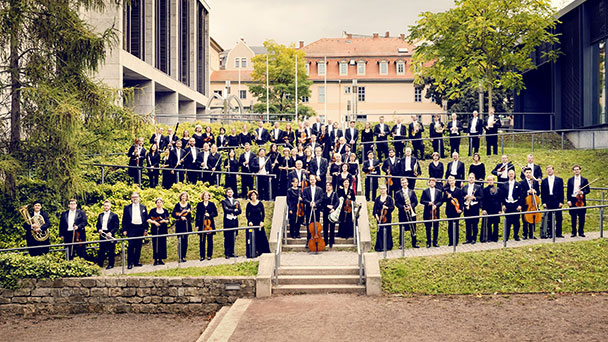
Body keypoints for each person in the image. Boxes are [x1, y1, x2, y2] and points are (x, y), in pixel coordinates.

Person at [121, 192, 148, 268]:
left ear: (139, 198)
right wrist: (124, 229)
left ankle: (136, 262)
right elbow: (124, 219)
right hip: (131, 228)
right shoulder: (127, 207)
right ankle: (130, 263)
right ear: (131, 198)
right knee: (131, 246)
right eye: (133, 197)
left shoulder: (143, 207)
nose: (135, 198)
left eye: (136, 197)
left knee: (139, 246)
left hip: (140, 228)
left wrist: (146, 229)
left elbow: (146, 219)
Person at [394, 178, 419, 248]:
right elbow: (396, 203)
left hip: (411, 212)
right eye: (402, 183)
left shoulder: (412, 192)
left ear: (407, 183)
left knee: (413, 228)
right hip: (402, 213)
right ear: (401, 184)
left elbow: (416, 202)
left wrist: (410, 207)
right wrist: (403, 207)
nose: (404, 184)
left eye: (405, 182)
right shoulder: (398, 193)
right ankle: (401, 244)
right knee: (402, 228)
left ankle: (414, 243)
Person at [541, 165, 564, 238]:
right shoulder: (544, 181)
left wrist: (561, 201)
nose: (549, 171)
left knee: (559, 218)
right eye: (548, 170)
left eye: (550, 169)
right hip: (548, 201)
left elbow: (561, 191)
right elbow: (543, 193)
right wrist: (543, 202)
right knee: (549, 218)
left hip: (557, 200)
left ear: (553, 170)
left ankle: (559, 233)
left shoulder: (559, 180)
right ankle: (550, 233)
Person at [246, 190, 270, 257]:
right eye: (252, 195)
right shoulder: (249, 204)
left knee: (261, 236)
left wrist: (262, 221)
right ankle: (254, 252)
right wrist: (249, 221)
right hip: (252, 222)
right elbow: (247, 214)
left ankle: (262, 251)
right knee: (253, 237)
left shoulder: (260, 203)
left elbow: (263, 213)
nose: (253, 196)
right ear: (250, 197)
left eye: (254, 195)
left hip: (259, 221)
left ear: (256, 196)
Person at [567, 164, 590, 237]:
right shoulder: (570, 180)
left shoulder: (584, 180)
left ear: (580, 170)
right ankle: (574, 232)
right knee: (573, 217)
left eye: (578, 169)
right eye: (575, 169)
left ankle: (581, 232)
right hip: (573, 199)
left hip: (581, 200)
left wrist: (582, 192)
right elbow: (568, 191)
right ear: (573, 171)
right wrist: (568, 201)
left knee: (582, 217)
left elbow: (588, 190)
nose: (576, 171)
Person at [501, 169, 523, 241]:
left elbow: (521, 196)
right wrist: (503, 205)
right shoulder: (504, 184)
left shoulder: (518, 184)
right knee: (507, 221)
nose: (511, 175)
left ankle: (516, 236)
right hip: (507, 204)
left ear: (514, 175)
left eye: (512, 174)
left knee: (516, 221)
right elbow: (502, 196)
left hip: (515, 204)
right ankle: (506, 237)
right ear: (508, 175)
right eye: (509, 174)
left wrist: (520, 205)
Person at [96, 200, 119, 269]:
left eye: (107, 205)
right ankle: (100, 264)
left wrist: (111, 232)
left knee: (111, 250)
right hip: (102, 233)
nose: (106, 207)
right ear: (103, 206)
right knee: (101, 250)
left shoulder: (114, 215)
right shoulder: (100, 215)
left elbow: (116, 226)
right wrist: (99, 229)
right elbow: (97, 225)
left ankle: (111, 264)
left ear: (110, 206)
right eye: (105, 205)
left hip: (110, 234)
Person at [195, 191, 218, 261]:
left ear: (209, 197)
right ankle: (202, 256)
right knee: (202, 240)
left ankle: (209, 255)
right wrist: (197, 225)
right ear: (203, 197)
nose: (206, 197)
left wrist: (210, 215)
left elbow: (216, 213)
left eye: (207, 196)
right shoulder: (199, 204)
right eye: (205, 196)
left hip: (210, 224)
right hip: (202, 224)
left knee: (210, 240)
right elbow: (197, 215)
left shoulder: (212, 204)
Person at [303, 174, 325, 244]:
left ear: (316, 180)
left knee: (316, 224)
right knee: (309, 224)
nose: (312, 181)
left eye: (313, 179)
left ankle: (316, 239)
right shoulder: (306, 189)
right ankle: (308, 240)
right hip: (309, 209)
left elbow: (321, 198)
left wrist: (315, 203)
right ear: (309, 181)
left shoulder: (320, 189)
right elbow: (304, 198)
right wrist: (309, 203)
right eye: (311, 180)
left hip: (316, 209)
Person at [421, 178, 443, 248]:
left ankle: (435, 242)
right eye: (431, 182)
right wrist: (428, 203)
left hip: (436, 212)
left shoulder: (439, 191)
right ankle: (428, 242)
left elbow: (441, 201)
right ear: (429, 183)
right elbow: (421, 201)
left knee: (436, 228)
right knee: (428, 228)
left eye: (433, 182)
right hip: (427, 211)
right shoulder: (425, 191)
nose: (432, 183)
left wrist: (436, 205)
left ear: (435, 183)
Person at [462, 173, 483, 244]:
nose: (471, 179)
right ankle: (468, 238)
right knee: (467, 223)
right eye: (470, 177)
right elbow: (461, 197)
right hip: (467, 206)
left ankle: (474, 238)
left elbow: (481, 196)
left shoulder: (478, 187)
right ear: (468, 179)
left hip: (474, 206)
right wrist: (465, 198)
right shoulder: (464, 187)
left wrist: (475, 198)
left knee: (474, 223)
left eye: (472, 177)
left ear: (474, 179)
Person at [521, 167, 541, 240]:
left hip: (533, 203)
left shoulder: (535, 182)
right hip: (525, 204)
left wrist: (535, 191)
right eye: (527, 173)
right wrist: (527, 192)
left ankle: (531, 234)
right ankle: (525, 234)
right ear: (524, 174)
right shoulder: (522, 182)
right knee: (525, 219)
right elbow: (521, 193)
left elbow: (539, 192)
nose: (528, 174)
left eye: (530, 172)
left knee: (533, 219)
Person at [147, 198, 169, 266]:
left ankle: (161, 259)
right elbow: (148, 219)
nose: (159, 204)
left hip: (163, 229)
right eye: (158, 202)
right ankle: (155, 260)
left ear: (162, 203)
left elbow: (168, 220)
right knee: (155, 244)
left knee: (162, 244)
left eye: (160, 202)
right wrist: (154, 222)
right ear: (156, 203)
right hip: (155, 229)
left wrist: (164, 221)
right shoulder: (152, 211)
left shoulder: (165, 211)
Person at [172, 191, 192, 262]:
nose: (184, 198)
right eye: (183, 196)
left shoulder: (188, 205)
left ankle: (184, 256)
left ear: (187, 198)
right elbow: (173, 214)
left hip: (186, 224)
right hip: (179, 225)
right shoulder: (177, 205)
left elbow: (190, 217)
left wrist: (189, 213)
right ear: (180, 197)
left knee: (185, 241)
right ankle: (180, 257)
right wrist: (180, 217)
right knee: (180, 241)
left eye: (185, 196)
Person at [221, 188, 241, 258]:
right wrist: (233, 209)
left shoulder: (236, 201)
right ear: (226, 193)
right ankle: (227, 253)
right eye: (228, 192)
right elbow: (225, 210)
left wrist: (233, 210)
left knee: (233, 236)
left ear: (233, 193)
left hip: (234, 221)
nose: (230, 193)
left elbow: (239, 211)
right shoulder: (224, 201)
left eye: (231, 192)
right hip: (227, 221)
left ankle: (232, 252)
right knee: (227, 237)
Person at [481, 176, 502, 242]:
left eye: (491, 180)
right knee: (489, 224)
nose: (490, 181)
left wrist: (500, 209)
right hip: (488, 208)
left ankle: (495, 238)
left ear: (493, 181)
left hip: (496, 208)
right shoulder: (485, 190)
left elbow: (499, 200)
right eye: (489, 180)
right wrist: (483, 209)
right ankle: (489, 237)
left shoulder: (498, 189)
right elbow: (483, 200)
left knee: (496, 224)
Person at [374, 185, 395, 252]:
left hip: (387, 217)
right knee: (379, 232)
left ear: (386, 189)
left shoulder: (389, 198)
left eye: (383, 189)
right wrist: (376, 215)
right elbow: (375, 209)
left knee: (387, 230)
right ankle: (380, 246)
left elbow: (392, 207)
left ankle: (388, 246)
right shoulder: (377, 199)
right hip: (380, 218)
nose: (382, 190)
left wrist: (387, 208)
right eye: (381, 189)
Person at [444, 176, 463, 246]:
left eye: (452, 181)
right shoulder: (446, 190)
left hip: (456, 210)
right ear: (448, 182)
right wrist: (447, 198)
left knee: (456, 226)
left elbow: (461, 200)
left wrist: (460, 209)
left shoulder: (459, 190)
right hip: (449, 210)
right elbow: (443, 200)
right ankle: (450, 241)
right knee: (450, 226)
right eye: (450, 181)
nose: (451, 182)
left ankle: (456, 241)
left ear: (455, 181)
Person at [322, 181, 339, 248]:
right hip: (325, 212)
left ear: (331, 187)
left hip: (332, 212)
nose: (328, 187)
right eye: (327, 185)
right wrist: (326, 206)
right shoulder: (324, 194)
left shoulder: (334, 194)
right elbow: (322, 202)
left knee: (332, 227)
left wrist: (334, 208)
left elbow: (337, 202)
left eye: (329, 185)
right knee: (325, 227)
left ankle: (331, 241)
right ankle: (325, 241)